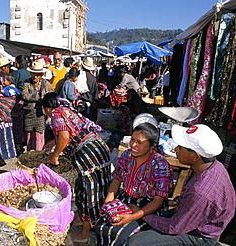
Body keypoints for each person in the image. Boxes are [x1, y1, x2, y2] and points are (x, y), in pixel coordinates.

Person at [127, 124, 236, 246]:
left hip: (198, 235)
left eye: (181, 148)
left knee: (136, 242)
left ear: (195, 156)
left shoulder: (201, 193)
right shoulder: (210, 166)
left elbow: (174, 227)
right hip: (193, 216)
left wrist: (142, 214)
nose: (176, 149)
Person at [42, 92, 112, 244]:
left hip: (89, 154)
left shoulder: (55, 114)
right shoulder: (66, 109)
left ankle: (85, 233)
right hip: (98, 148)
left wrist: (55, 155)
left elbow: (65, 137)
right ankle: (82, 217)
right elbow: (73, 130)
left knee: (90, 191)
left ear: (47, 108)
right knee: (84, 186)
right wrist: (55, 141)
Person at [95, 123, 174, 246]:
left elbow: (158, 201)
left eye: (139, 142)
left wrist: (132, 217)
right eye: (132, 139)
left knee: (120, 234)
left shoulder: (160, 165)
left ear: (152, 145)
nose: (133, 145)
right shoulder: (127, 156)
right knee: (102, 224)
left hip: (148, 206)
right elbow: (116, 181)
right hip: (125, 199)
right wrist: (108, 203)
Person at [22, 61, 53, 151]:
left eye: (37, 75)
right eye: (33, 74)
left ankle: (39, 152)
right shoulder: (27, 83)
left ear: (41, 75)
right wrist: (37, 97)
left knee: (39, 134)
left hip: (40, 113)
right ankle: (29, 152)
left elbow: (51, 94)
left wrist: (45, 98)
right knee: (29, 134)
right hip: (29, 112)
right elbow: (24, 95)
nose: (35, 77)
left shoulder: (46, 83)